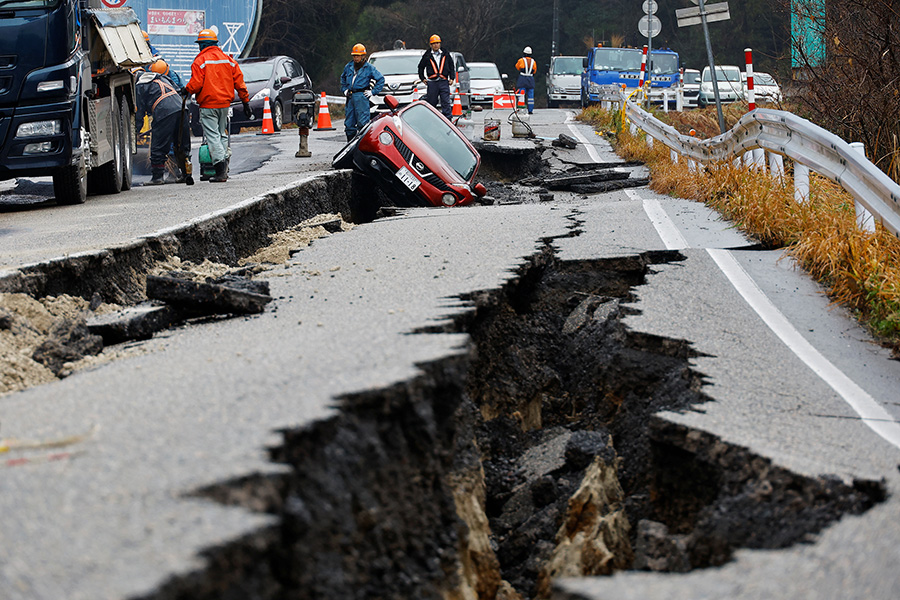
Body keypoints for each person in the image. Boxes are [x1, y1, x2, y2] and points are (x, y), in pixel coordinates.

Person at [181, 28, 252, 183]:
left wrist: (186, 90)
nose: (199, 47)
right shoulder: (228, 60)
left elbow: (196, 84)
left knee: (212, 136)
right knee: (221, 134)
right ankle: (225, 164)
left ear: (204, 44)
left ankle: (220, 171)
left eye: (200, 44)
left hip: (208, 105)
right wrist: (246, 102)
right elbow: (240, 83)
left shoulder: (200, 61)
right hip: (224, 105)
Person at [136, 60, 191, 185]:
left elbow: (139, 112)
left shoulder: (140, 85)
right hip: (182, 109)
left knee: (158, 144)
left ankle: (157, 178)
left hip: (164, 111)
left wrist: (136, 131)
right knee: (181, 143)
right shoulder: (164, 79)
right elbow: (180, 91)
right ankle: (185, 174)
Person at [340, 43, 385, 141]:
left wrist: (373, 92)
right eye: (354, 56)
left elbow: (380, 79)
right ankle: (349, 144)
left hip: (361, 96)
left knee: (362, 123)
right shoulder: (349, 66)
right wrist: (345, 90)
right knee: (349, 124)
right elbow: (343, 78)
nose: (356, 58)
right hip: (351, 96)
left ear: (363, 56)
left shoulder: (369, 68)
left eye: (358, 56)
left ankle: (361, 145)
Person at [417, 34, 455, 119]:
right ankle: (432, 119)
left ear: (440, 44)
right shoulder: (427, 55)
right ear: (431, 45)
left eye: (437, 43)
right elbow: (420, 67)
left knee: (446, 102)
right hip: (432, 83)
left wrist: (452, 78)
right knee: (432, 102)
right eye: (434, 43)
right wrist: (422, 78)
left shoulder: (445, 54)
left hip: (443, 81)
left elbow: (451, 66)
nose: (436, 45)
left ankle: (448, 119)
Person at [515, 46, 537, 115]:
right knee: (530, 96)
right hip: (530, 78)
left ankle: (521, 109)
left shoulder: (521, 60)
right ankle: (530, 110)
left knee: (521, 94)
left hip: (523, 78)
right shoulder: (533, 61)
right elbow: (535, 71)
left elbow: (517, 67)